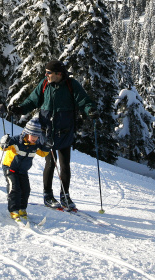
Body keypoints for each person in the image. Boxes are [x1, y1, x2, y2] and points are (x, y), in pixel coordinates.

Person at [8, 59, 94, 210]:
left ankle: (65, 195)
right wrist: (20, 109)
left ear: (58, 74)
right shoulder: (44, 84)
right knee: (50, 163)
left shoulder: (71, 85)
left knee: (65, 165)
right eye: (46, 72)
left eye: (49, 72)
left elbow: (83, 100)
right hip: (47, 132)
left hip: (65, 132)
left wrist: (90, 110)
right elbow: (32, 101)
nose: (46, 75)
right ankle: (48, 194)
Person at [0, 115, 51, 221]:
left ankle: (22, 208)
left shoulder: (36, 145)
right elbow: (3, 147)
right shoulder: (17, 140)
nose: (35, 139)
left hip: (22, 171)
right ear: (27, 133)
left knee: (26, 189)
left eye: (37, 136)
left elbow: (43, 153)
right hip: (10, 167)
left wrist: (47, 146)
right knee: (14, 188)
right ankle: (13, 210)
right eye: (33, 136)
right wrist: (3, 142)